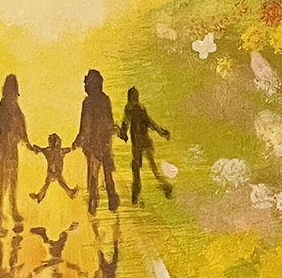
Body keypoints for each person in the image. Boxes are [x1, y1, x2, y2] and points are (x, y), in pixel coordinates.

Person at [0, 73, 31, 227]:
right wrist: (21, 138)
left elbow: (21, 124)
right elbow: (7, 127)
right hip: (4, 147)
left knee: (12, 179)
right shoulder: (4, 105)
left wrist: (25, 140)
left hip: (10, 146)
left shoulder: (12, 104)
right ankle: (0, 210)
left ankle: (12, 209)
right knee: (4, 180)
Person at [74, 68, 119, 213]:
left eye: (87, 84)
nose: (85, 86)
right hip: (104, 142)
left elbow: (85, 125)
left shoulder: (88, 102)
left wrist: (79, 140)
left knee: (93, 173)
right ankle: (111, 199)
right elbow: (109, 122)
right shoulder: (105, 100)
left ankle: (94, 201)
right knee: (106, 172)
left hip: (93, 143)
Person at [118, 85, 173, 203]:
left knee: (136, 169)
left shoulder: (129, 108)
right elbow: (150, 123)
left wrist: (122, 132)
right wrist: (162, 132)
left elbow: (125, 124)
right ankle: (164, 185)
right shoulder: (141, 108)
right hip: (146, 142)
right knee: (152, 167)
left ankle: (136, 194)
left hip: (137, 144)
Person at [28, 133, 77, 201]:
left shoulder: (48, 151)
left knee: (49, 184)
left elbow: (39, 149)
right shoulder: (59, 151)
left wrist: (35, 147)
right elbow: (69, 149)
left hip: (52, 171)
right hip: (55, 171)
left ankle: (39, 196)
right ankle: (70, 193)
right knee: (58, 183)